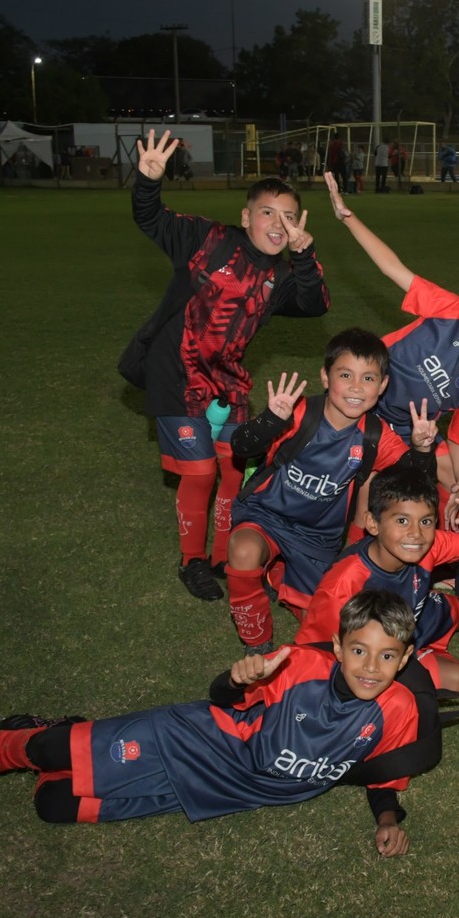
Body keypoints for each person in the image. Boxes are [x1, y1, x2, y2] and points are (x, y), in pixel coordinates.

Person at [0, 591, 439, 854]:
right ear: (339, 644)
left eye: (388, 655)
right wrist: (235, 679)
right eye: (360, 650)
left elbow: (384, 775)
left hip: (226, 792)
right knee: (50, 752)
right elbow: (219, 700)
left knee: (52, 806)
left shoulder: (395, 712)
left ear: (406, 658)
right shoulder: (298, 667)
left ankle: (79, 736)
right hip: (199, 741)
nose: (371, 667)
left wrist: (387, 818)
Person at [118, 129, 329, 602]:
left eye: (289, 216)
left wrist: (305, 254)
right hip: (176, 374)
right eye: (268, 213)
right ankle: (191, 561)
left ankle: (220, 555)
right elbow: (151, 218)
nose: (278, 224)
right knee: (199, 473)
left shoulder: (282, 272)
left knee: (233, 470)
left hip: (228, 383)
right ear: (246, 216)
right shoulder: (207, 239)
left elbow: (315, 304)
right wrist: (148, 180)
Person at [324, 173, 459, 516]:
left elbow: (458, 440)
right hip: (362, 400)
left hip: (409, 431)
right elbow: (391, 268)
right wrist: (348, 217)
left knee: (450, 486)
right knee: (358, 483)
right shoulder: (450, 310)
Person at [222, 329, 441, 654]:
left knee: (327, 626)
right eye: (345, 375)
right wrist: (270, 420)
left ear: (382, 387)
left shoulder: (374, 437)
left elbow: (418, 485)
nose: (356, 387)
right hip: (266, 515)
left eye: (368, 378)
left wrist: (422, 450)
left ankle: (279, 575)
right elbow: (240, 446)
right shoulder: (298, 414)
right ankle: (257, 642)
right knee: (243, 551)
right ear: (325, 377)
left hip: (318, 538)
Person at [296, 465, 459, 693]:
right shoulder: (342, 587)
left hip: (418, 615)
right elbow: (313, 654)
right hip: (382, 646)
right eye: (402, 521)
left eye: (426, 521)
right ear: (372, 523)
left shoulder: (430, 545)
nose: (416, 533)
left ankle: (431, 611)